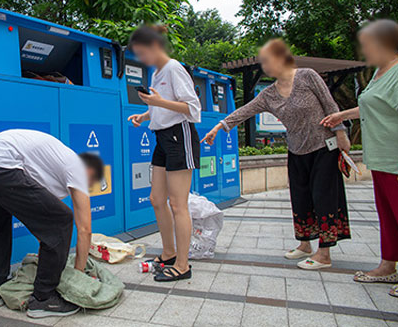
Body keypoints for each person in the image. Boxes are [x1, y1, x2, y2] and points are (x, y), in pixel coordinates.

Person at [201, 38, 352, 270]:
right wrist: (218, 127)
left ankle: (325, 253)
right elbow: (243, 111)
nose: (265, 66)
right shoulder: (269, 94)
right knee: (301, 197)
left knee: (324, 197)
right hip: (296, 150)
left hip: (324, 146)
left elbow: (330, 105)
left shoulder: (307, 75)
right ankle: (304, 244)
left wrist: (341, 134)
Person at [0, 129, 104, 317]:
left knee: (0, 223)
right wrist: (78, 275)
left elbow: (42, 223)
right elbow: (84, 229)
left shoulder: (53, 163)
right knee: (63, 218)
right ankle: (44, 298)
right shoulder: (77, 166)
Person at [320, 19, 398, 298]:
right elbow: (374, 104)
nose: (363, 51)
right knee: (388, 215)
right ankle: (387, 265)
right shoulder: (380, 72)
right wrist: (343, 115)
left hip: (397, 158)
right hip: (379, 157)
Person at [127, 25, 201, 282]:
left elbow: (192, 109)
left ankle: (183, 265)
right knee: (157, 199)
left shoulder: (173, 68)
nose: (141, 58)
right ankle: (168, 253)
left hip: (179, 136)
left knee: (178, 204)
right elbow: (165, 105)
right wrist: (146, 114)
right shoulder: (157, 73)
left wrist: (158, 103)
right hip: (161, 136)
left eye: (142, 52)